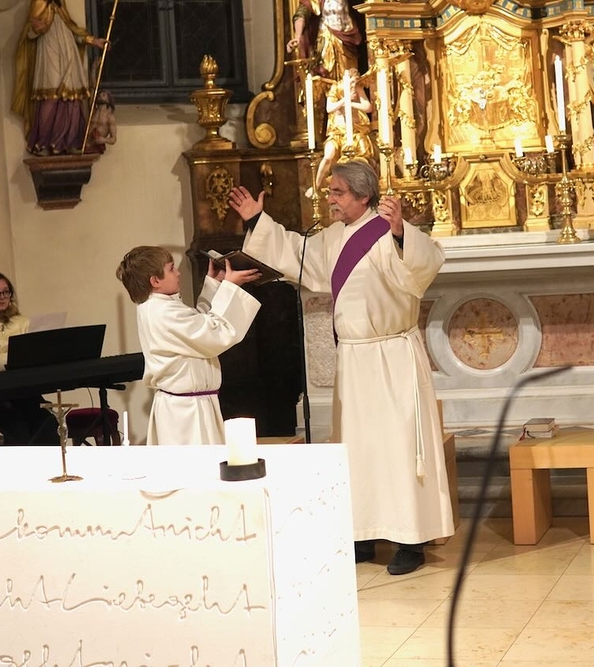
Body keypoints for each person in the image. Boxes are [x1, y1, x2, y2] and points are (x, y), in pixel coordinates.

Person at [227, 160, 453, 576]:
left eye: (337, 192)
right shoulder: (332, 237)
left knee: (397, 446)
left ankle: (409, 539)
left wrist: (400, 233)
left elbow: (425, 264)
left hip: (391, 357)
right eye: (330, 191)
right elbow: (295, 253)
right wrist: (257, 219)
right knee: (358, 449)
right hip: (353, 359)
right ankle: (361, 533)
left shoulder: (386, 230)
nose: (329, 199)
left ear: (363, 196)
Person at [115, 247, 261, 445]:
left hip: (190, 405)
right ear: (155, 281)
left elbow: (198, 323)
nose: (178, 273)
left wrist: (214, 284)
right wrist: (230, 288)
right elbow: (214, 334)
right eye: (171, 268)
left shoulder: (160, 305)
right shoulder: (162, 311)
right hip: (186, 413)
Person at [0, 272, 58, 444]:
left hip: (25, 389)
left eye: (6, 292)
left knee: (49, 424)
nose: (2, 297)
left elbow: (33, 354)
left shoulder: (22, 321)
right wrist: (18, 356)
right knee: (20, 432)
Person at [12, 0, 109, 155]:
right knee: (49, 97)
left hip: (69, 57)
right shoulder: (38, 2)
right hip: (49, 53)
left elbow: (73, 31)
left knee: (72, 98)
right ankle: (44, 143)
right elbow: (30, 32)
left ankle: (70, 142)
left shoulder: (60, 6)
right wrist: (37, 27)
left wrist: (93, 41)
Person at [313, 69, 376, 196]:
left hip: (354, 132)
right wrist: (345, 100)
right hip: (337, 133)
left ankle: (366, 186)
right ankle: (316, 186)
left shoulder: (357, 88)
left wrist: (351, 104)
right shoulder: (335, 88)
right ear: (344, 79)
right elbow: (329, 108)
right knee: (328, 156)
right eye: (351, 82)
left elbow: (368, 107)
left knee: (364, 157)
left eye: (355, 82)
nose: (353, 85)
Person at [287, 0, 367, 81]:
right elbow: (302, 12)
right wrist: (298, 37)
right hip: (327, 40)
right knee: (327, 74)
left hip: (349, 39)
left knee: (350, 76)